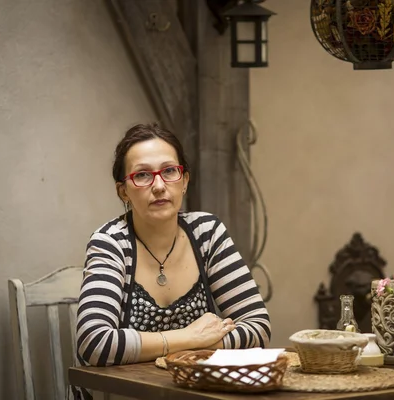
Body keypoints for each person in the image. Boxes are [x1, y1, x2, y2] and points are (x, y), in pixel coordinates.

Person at [72, 123, 271, 400]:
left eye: (169, 171)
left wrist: (193, 346)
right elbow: (95, 344)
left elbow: (258, 326)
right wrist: (191, 338)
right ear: (123, 192)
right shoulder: (110, 242)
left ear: (184, 180)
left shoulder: (207, 233)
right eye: (142, 175)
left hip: (190, 394)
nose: (158, 185)